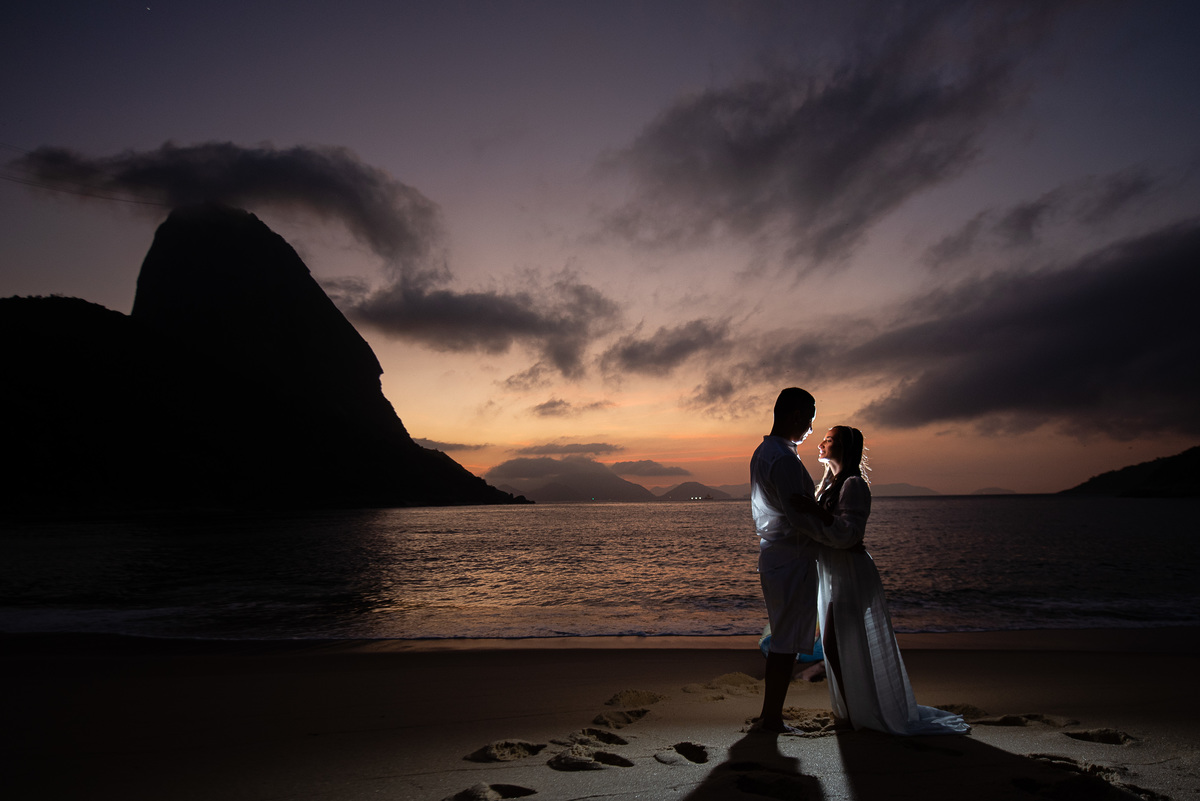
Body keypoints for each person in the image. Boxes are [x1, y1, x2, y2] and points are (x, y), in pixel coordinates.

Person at [798, 426, 970, 736]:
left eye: (830, 439)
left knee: (838, 645)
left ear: (845, 449)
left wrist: (817, 516)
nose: (821, 443)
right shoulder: (828, 486)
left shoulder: (853, 485)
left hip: (851, 572)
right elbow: (827, 532)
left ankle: (856, 714)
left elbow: (849, 534)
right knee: (837, 645)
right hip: (836, 570)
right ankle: (852, 711)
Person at [749, 389, 861, 733]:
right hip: (791, 557)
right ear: (797, 416)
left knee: (786, 638)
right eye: (810, 418)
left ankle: (770, 715)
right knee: (785, 642)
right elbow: (797, 516)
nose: (812, 427)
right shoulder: (782, 459)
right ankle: (771, 718)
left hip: (782, 556)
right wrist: (838, 538)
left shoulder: (768, 452)